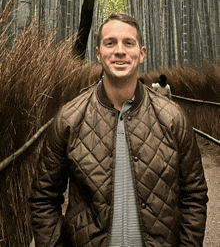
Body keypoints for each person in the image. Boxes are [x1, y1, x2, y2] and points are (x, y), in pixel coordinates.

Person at [29, 12, 208, 247]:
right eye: (110, 43)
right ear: (98, 54)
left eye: (129, 43)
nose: (120, 51)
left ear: (141, 53)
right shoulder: (69, 119)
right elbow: (43, 198)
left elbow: (194, 196)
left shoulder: (173, 118)